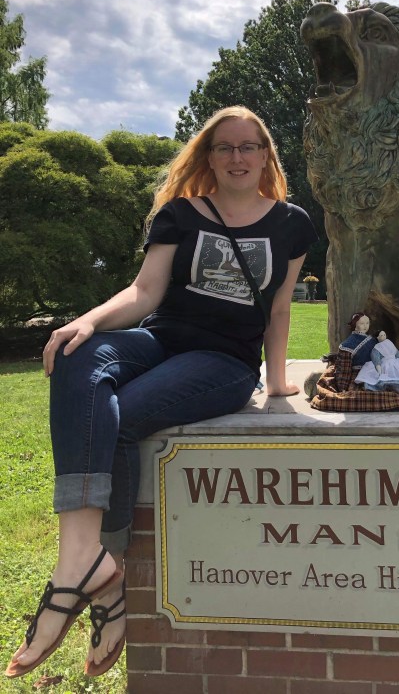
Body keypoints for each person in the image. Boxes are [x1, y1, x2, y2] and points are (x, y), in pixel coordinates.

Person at [5, 106, 318, 679]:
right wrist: (86, 322)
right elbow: (145, 292)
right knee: (77, 354)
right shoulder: (180, 214)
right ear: (209, 157)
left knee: (122, 417)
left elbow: (278, 309)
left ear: (265, 156)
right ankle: (84, 561)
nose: (237, 157)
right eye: (224, 147)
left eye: (248, 147)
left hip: (224, 361)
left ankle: (103, 566)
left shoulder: (291, 224)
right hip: (160, 339)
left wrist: (275, 381)